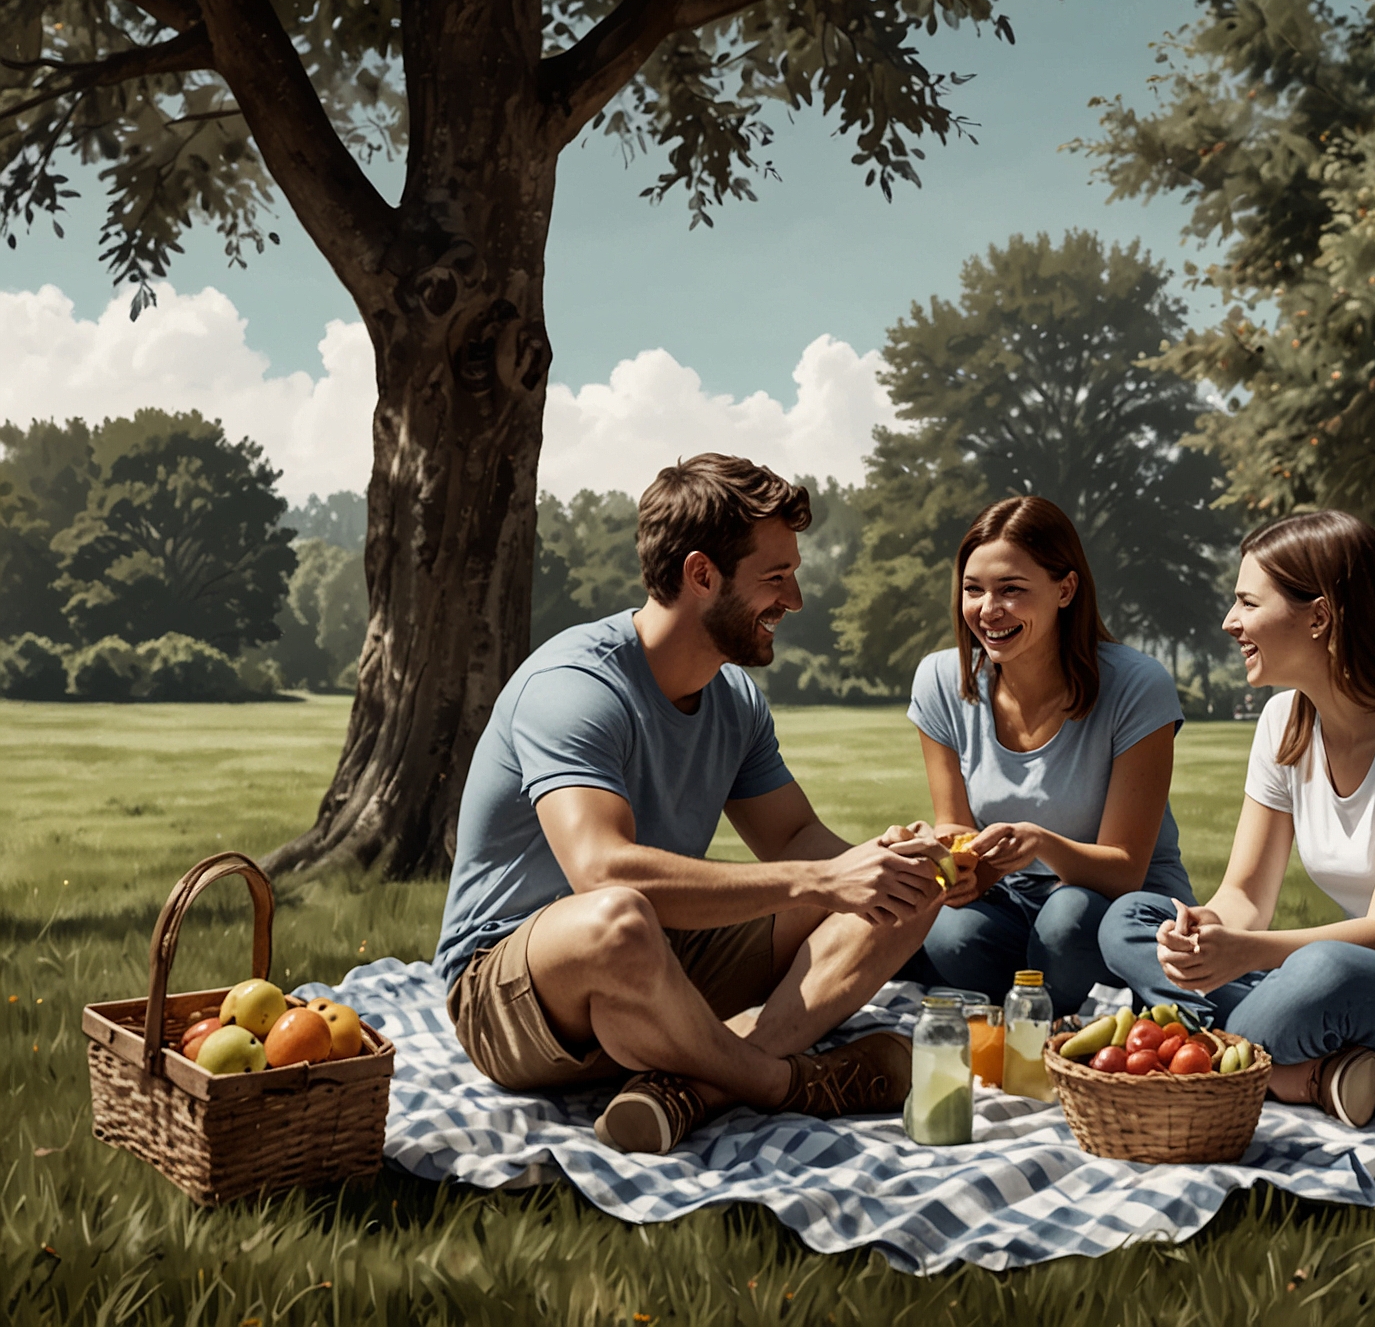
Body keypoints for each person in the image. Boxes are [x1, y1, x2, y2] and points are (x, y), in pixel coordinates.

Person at [433, 454, 951, 1155]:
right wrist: (819, 880)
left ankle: (694, 1087)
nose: (793, 600)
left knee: (904, 892)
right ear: (702, 574)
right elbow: (602, 874)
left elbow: (795, 836)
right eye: (776, 578)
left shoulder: (734, 702)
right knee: (617, 919)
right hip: (514, 990)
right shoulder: (575, 686)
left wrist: (905, 865)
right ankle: (784, 1083)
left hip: (658, 963)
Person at [1099, 510, 1375, 1127]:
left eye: (1246, 603)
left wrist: (1247, 956)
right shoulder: (1284, 721)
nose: (1229, 623)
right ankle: (1308, 1073)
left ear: (1319, 616)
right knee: (1131, 917)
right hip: (1359, 993)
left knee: (1324, 971)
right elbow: (1243, 895)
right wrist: (1206, 933)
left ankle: (1241, 1058)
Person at [893, 496, 1195, 1015]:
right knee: (950, 932)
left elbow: (1125, 868)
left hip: (1118, 905)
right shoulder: (941, 681)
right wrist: (938, 854)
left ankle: (1057, 1026)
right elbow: (958, 832)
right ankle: (1029, 1020)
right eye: (973, 590)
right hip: (1010, 901)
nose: (988, 611)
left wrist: (1039, 842)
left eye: (1011, 590)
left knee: (1067, 921)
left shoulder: (1137, 686)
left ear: (1065, 589)